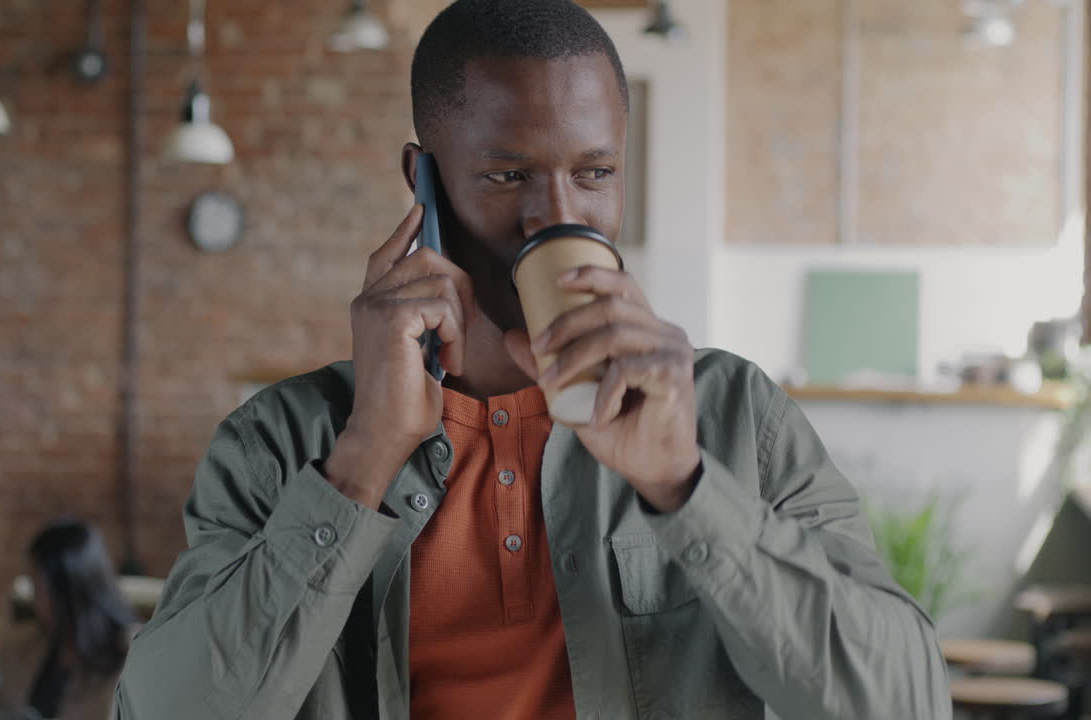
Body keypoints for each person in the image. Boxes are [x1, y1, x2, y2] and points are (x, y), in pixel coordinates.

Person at [117, 1, 950, 717]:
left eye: (595, 173)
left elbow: (905, 701)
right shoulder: (282, 442)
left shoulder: (733, 415)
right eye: (508, 174)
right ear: (424, 182)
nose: (557, 218)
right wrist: (364, 459)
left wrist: (686, 490)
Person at [0, 519, 136, 720]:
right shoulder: (22, 646)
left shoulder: (129, 658)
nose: (34, 598)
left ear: (68, 589)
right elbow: (0, 709)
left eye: (38, 585)